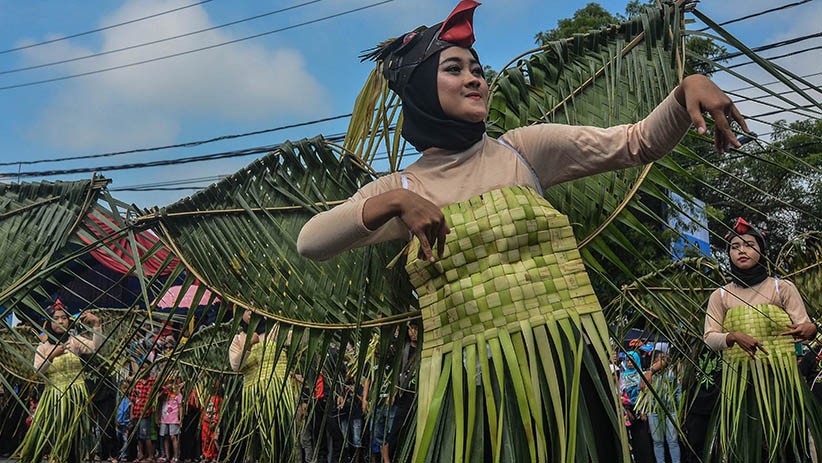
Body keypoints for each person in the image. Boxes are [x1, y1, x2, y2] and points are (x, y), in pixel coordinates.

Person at [298, 1, 748, 459]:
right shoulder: (405, 187)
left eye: (477, 69)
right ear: (419, 91)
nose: (474, 78)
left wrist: (686, 89)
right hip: (469, 393)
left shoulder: (522, 151)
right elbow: (311, 241)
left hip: (566, 376)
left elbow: (636, 142)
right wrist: (392, 202)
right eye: (454, 69)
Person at [703, 217, 821, 461]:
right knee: (744, 448)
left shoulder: (782, 288)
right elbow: (709, 338)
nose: (741, 251)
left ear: (761, 250)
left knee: (791, 445)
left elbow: (805, 326)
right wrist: (732, 337)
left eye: (749, 245)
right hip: (739, 386)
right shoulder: (720, 296)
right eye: (735, 246)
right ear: (729, 254)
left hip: (783, 381)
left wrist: (810, 329)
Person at [18, 301, 104, 463]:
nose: (60, 321)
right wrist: (51, 356)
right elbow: (37, 371)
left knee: (75, 435)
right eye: (56, 318)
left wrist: (96, 325)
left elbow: (95, 348)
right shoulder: (43, 347)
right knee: (55, 434)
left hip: (77, 397)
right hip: (54, 399)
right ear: (49, 322)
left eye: (64, 318)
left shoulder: (74, 341)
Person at [228, 309, 296, 462]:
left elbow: (299, 339)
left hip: (280, 393)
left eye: (254, 304)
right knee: (257, 441)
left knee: (281, 436)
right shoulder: (238, 338)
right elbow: (235, 366)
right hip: (253, 398)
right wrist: (248, 345)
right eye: (245, 307)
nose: (250, 310)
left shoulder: (275, 329)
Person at [643, 343, 681, 463]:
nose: (659, 359)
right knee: (657, 441)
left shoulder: (672, 373)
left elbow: (678, 392)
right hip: (653, 411)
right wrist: (643, 411)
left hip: (671, 410)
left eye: (662, 356)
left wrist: (680, 410)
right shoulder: (648, 374)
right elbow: (643, 393)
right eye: (656, 357)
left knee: (673, 440)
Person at [131, 362, 157, 463]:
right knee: (138, 436)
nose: (143, 370)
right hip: (137, 412)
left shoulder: (153, 381)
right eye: (141, 368)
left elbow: (162, 390)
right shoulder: (137, 382)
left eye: (145, 368)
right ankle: (141, 455)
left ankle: (150, 456)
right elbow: (133, 399)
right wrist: (131, 414)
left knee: (146, 435)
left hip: (145, 413)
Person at [158, 378, 183, 463]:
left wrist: (180, 418)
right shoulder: (164, 394)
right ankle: (167, 456)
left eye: (171, 383)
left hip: (174, 419)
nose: (169, 385)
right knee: (165, 437)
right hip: (164, 418)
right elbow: (159, 400)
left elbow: (180, 406)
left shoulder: (177, 394)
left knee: (173, 437)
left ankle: (176, 456)